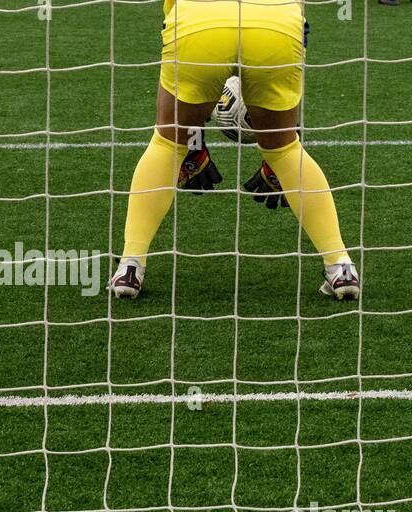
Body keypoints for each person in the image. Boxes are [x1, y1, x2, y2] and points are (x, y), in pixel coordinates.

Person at [108, 0, 361, 300]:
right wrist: (276, 152)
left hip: (201, 21)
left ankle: (130, 266)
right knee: (285, 150)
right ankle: (340, 266)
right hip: (275, 22)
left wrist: (192, 140)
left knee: (167, 142)